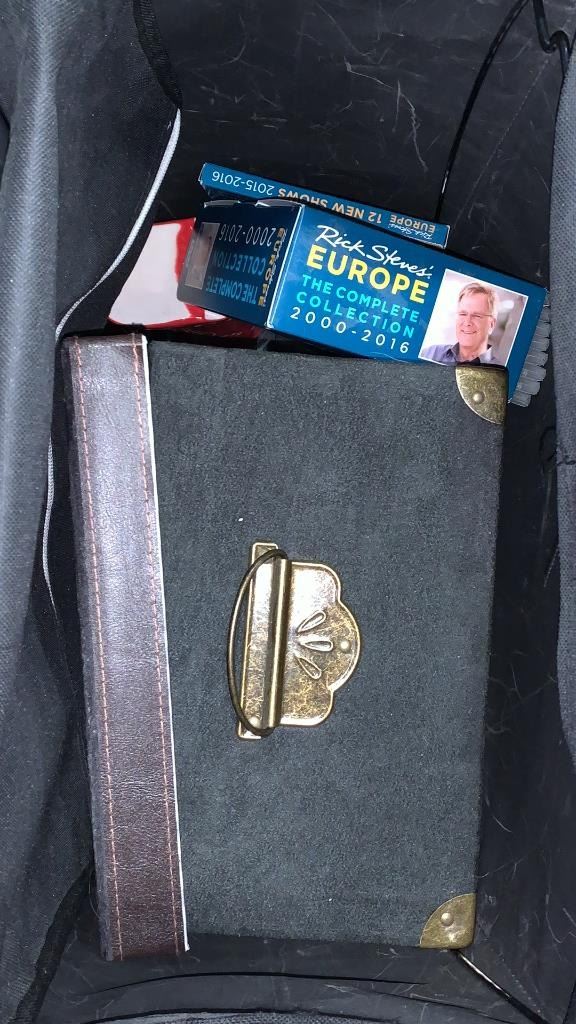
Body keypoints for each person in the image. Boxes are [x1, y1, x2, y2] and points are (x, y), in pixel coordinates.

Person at [422, 282, 499, 364]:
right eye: (463, 314)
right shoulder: (430, 354)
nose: (467, 322)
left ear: (491, 325)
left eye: (477, 316)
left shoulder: (498, 369)